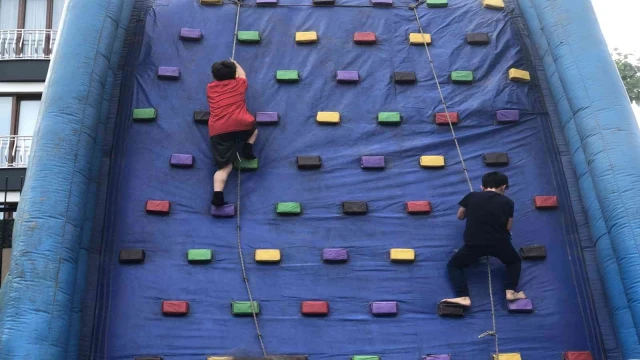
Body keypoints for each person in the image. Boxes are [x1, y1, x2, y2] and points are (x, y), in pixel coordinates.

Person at [441, 171, 526, 307]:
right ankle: (511, 291)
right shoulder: (508, 202)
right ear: (503, 187)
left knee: (454, 265)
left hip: (474, 244)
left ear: (483, 187)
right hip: (499, 243)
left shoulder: (472, 196)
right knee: (514, 262)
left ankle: (463, 296)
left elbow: (460, 216)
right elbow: (508, 227)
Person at [207, 59, 258, 207]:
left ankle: (218, 195)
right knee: (254, 129)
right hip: (242, 124)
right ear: (234, 74)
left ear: (214, 77)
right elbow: (243, 74)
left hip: (219, 129)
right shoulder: (240, 84)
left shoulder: (210, 88)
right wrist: (235, 63)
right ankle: (247, 146)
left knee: (224, 167)